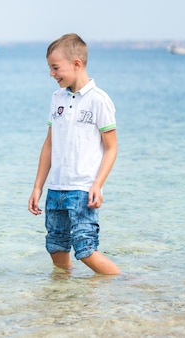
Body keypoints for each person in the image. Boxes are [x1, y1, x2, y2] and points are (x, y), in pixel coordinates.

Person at [27, 33, 120, 275]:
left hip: (83, 188)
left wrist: (98, 185)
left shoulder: (99, 100)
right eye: (50, 68)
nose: (51, 74)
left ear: (76, 64)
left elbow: (111, 148)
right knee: (55, 247)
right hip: (56, 188)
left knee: (85, 250)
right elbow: (49, 144)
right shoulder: (56, 97)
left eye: (55, 67)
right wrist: (38, 186)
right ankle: (66, 300)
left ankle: (126, 282)